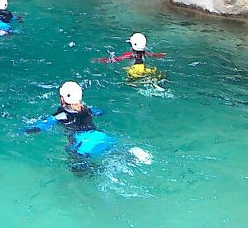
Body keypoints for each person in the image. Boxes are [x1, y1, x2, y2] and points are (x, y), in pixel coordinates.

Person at [24, 81, 152, 171]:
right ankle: (132, 155)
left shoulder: (59, 116)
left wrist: (25, 131)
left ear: (62, 99)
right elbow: (101, 112)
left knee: (78, 171)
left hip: (82, 143)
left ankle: (105, 168)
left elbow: (41, 126)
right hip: (100, 136)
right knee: (113, 153)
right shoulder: (88, 110)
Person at [96, 32, 165, 79]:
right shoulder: (146, 53)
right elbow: (155, 55)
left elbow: (114, 60)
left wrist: (101, 60)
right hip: (145, 69)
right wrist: (162, 54)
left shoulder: (129, 54)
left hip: (134, 71)